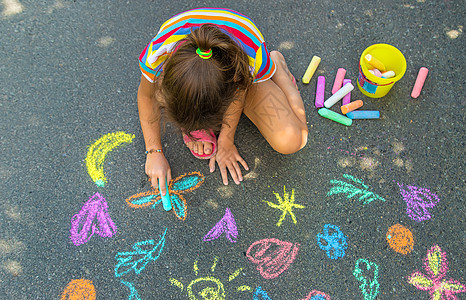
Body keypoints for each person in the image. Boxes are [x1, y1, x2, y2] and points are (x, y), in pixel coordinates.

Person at [137, 7, 308, 196]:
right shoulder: (158, 53)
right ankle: (196, 116)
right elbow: (147, 96)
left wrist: (226, 140)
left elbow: (239, 93)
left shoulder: (251, 55)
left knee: (291, 141)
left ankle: (279, 71)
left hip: (247, 69)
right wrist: (154, 151)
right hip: (201, 71)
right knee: (160, 92)